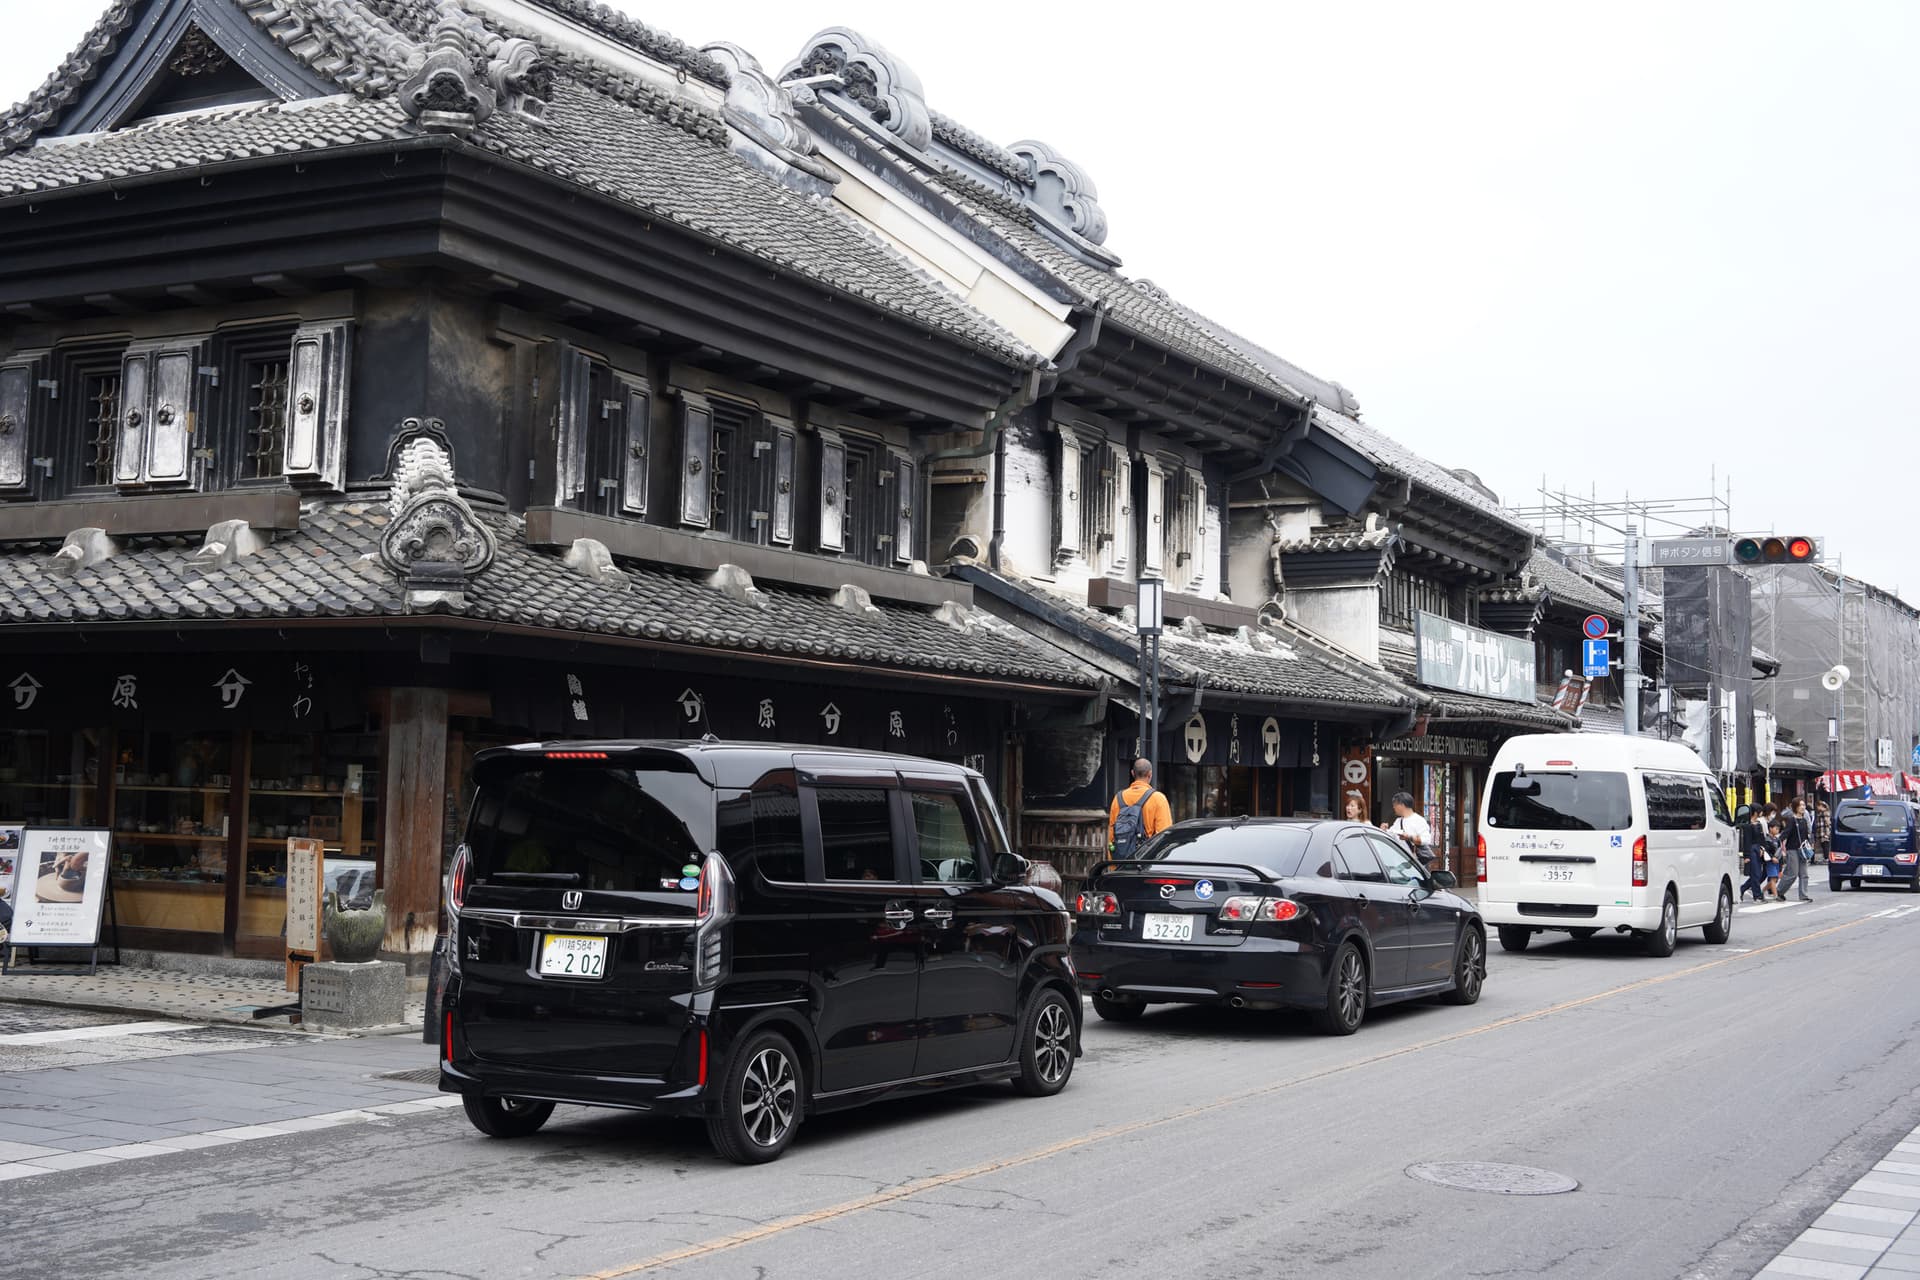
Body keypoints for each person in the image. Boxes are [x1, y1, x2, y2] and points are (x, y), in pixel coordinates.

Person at [1107, 758, 1172, 859]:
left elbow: (1112, 835)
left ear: (1133, 773)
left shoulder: (1118, 798)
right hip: (1146, 864)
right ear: (1150, 774)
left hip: (1121, 864)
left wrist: (1114, 865)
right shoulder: (1158, 798)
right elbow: (1164, 836)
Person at [1380, 792, 1434, 868]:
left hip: (1416, 865)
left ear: (1402, 805)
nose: (1393, 807)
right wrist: (1383, 830)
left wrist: (1409, 837)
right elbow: (1390, 836)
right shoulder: (1398, 821)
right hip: (1401, 864)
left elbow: (1426, 840)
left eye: (1395, 805)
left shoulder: (1419, 820)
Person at [1778, 797, 1813, 901]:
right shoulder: (1792, 820)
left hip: (1803, 850)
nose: (1803, 807)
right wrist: (1779, 843)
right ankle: (1779, 891)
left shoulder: (1804, 820)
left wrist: (1809, 846)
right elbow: (1785, 834)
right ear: (1795, 807)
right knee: (1792, 873)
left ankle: (1803, 895)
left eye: (1803, 805)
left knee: (1804, 874)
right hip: (1792, 849)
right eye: (1800, 805)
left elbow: (1806, 836)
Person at [1740, 804, 1770, 903]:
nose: (1761, 813)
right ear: (1755, 812)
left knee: (1757, 874)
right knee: (1756, 874)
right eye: (1760, 811)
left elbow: (1762, 839)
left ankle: (1743, 889)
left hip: (1758, 850)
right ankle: (1757, 896)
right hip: (1751, 850)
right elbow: (1746, 841)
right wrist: (1746, 856)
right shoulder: (1747, 825)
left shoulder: (1758, 823)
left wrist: (1763, 848)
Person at [1813, 800, 1832, 864]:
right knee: (1824, 845)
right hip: (1821, 831)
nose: (1817, 808)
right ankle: (1825, 858)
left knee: (1825, 845)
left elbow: (1828, 823)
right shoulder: (1822, 812)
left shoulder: (1825, 812)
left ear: (1821, 806)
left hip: (1824, 832)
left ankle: (1826, 858)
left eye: (1818, 806)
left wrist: (1827, 833)